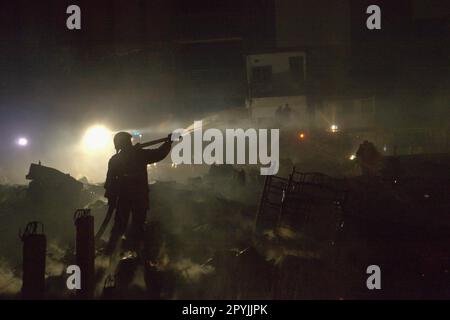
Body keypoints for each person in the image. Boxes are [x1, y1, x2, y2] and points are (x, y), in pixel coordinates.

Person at [104, 131, 172, 257]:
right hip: (133, 197)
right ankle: (126, 255)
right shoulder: (137, 155)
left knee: (128, 226)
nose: (130, 143)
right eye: (128, 142)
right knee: (131, 226)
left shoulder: (119, 159)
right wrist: (168, 143)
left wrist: (167, 143)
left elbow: (109, 182)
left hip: (130, 197)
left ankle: (120, 254)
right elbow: (158, 154)